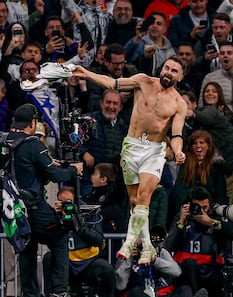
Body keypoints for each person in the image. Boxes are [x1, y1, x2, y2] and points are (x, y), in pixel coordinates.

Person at [73, 55, 187, 266]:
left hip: (154, 150)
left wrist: (178, 151)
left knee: (145, 195)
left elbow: (177, 133)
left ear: (180, 76)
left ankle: (129, 241)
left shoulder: (179, 104)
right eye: (167, 68)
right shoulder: (143, 81)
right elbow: (112, 83)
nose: (168, 73)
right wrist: (87, 73)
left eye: (173, 71)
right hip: (132, 147)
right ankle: (147, 246)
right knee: (135, 202)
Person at [8, 104, 84, 297]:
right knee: (59, 237)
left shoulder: (4, 141)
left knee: (27, 248)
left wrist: (50, 163)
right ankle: (59, 291)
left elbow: (25, 168)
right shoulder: (33, 144)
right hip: (33, 207)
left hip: (13, 209)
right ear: (32, 123)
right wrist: (74, 170)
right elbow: (55, 175)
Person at [165, 186, 233, 297]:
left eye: (205, 207)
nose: (202, 211)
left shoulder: (214, 218)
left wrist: (211, 222)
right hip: (186, 272)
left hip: (211, 272)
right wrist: (181, 222)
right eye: (198, 207)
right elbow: (169, 246)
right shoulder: (183, 218)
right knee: (190, 263)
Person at [43, 186, 116, 297]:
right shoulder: (54, 215)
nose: (66, 205)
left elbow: (98, 239)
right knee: (48, 257)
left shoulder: (89, 212)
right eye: (62, 202)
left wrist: (79, 225)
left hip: (88, 262)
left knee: (106, 269)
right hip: (66, 262)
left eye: (68, 202)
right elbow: (46, 238)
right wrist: (56, 219)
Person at [170, 130, 227, 218]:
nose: (198, 146)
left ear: (208, 145)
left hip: (208, 209)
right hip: (187, 207)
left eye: (201, 143)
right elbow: (179, 190)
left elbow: (220, 192)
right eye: (195, 143)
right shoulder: (185, 163)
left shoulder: (216, 165)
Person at [199, 41, 233, 137]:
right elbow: (201, 106)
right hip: (219, 133)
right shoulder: (210, 78)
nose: (225, 56)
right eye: (222, 53)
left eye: (229, 53)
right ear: (219, 57)